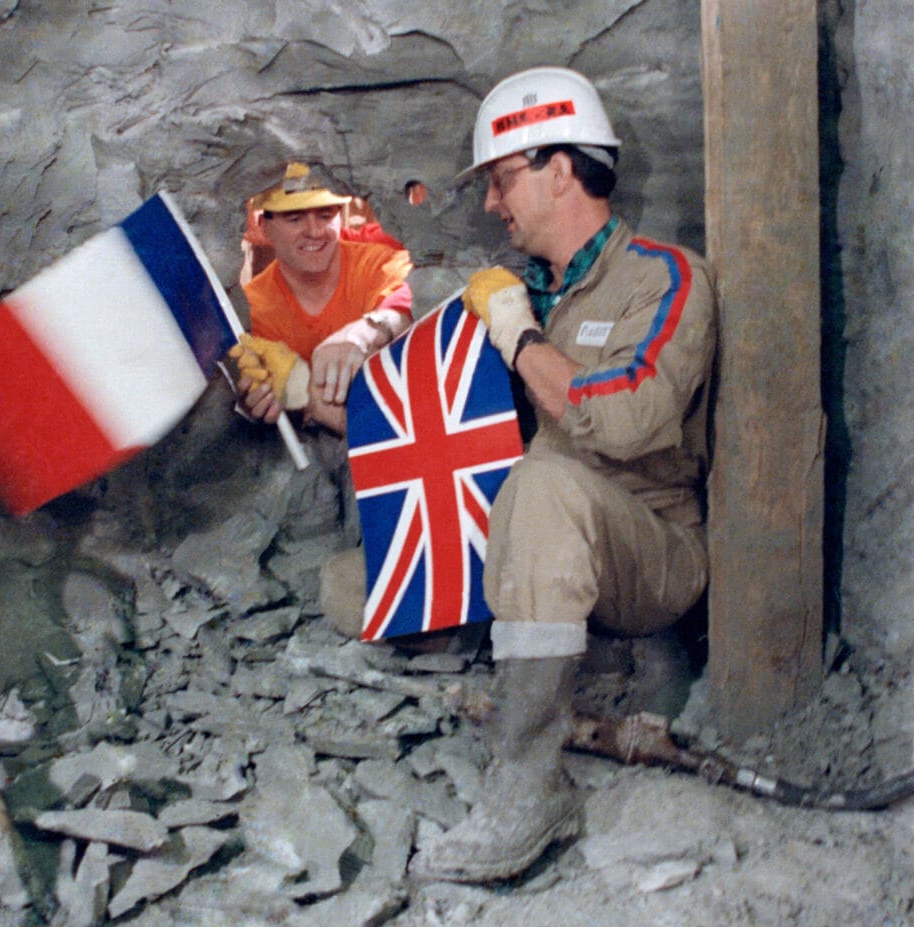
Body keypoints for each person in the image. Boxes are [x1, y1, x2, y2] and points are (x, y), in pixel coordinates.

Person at [407, 67, 717, 882]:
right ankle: (591, 663)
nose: (490, 204)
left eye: (502, 179)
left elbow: (630, 416)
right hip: (557, 540)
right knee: (354, 587)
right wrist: (311, 393)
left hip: (654, 548)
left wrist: (517, 336)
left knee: (542, 486)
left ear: (561, 166)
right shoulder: (535, 294)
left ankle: (528, 787)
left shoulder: (664, 275)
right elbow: (433, 429)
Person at [231, 162, 414, 433]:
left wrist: (366, 332)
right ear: (264, 227)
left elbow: (408, 308)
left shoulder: (376, 264)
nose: (314, 231)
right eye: (295, 218)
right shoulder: (254, 309)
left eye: (326, 215)